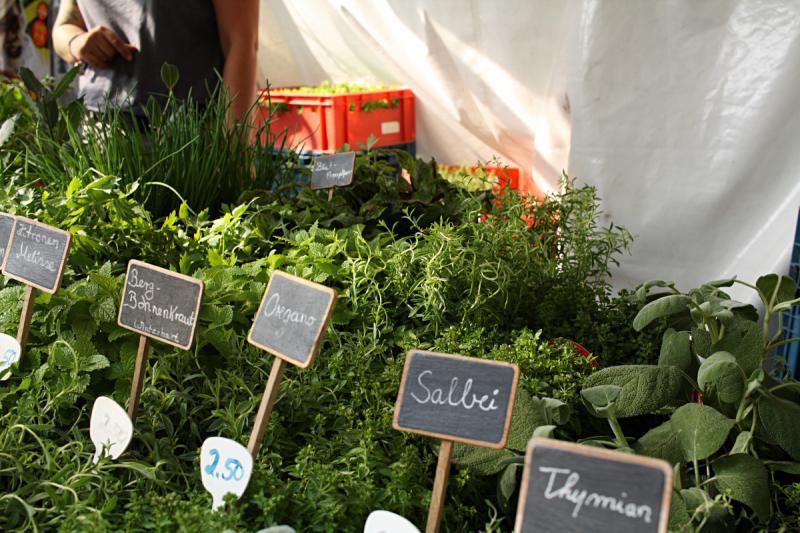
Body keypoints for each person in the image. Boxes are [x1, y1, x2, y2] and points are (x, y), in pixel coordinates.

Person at [51, 0, 258, 122]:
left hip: (190, 137)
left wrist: (236, 158)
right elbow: (64, 26)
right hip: (100, 126)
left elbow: (241, 43)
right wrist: (76, 42)